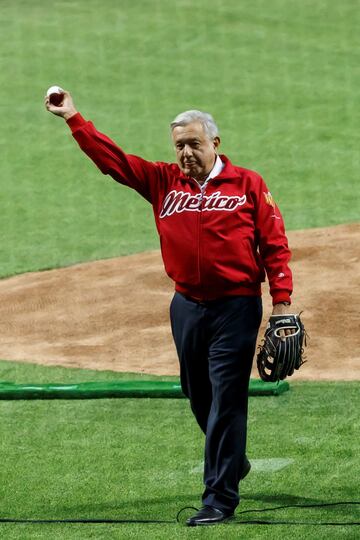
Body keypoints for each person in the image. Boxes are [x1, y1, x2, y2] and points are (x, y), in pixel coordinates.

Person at [45, 91, 294, 526]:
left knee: (227, 400)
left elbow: (274, 245)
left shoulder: (248, 184)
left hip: (236, 307)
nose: (185, 152)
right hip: (186, 307)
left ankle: (219, 499)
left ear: (215, 142)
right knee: (196, 392)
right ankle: (232, 458)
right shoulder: (162, 182)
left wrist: (283, 303)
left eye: (194, 144)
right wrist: (73, 118)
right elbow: (114, 161)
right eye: (179, 145)